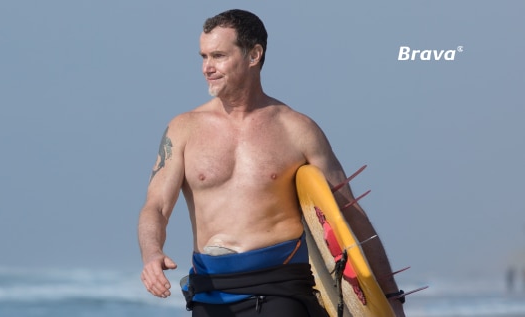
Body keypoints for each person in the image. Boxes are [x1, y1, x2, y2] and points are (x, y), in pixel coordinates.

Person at [137, 9, 407, 316]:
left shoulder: (297, 129)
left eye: (219, 56)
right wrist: (152, 253)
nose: (207, 68)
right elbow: (156, 206)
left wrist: (390, 296)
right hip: (211, 293)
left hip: (280, 290)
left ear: (254, 55)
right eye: (203, 56)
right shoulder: (183, 129)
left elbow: (349, 213)